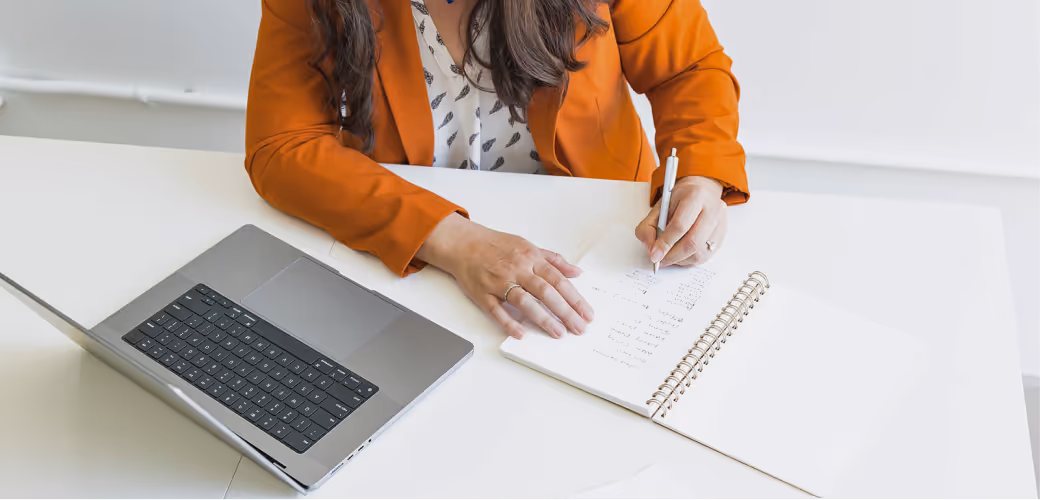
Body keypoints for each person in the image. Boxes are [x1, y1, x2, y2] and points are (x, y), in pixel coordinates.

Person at [245, 0, 748, 341]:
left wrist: (700, 175)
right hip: (416, 255)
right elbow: (281, 144)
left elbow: (689, 68)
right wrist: (456, 241)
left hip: (601, 243)